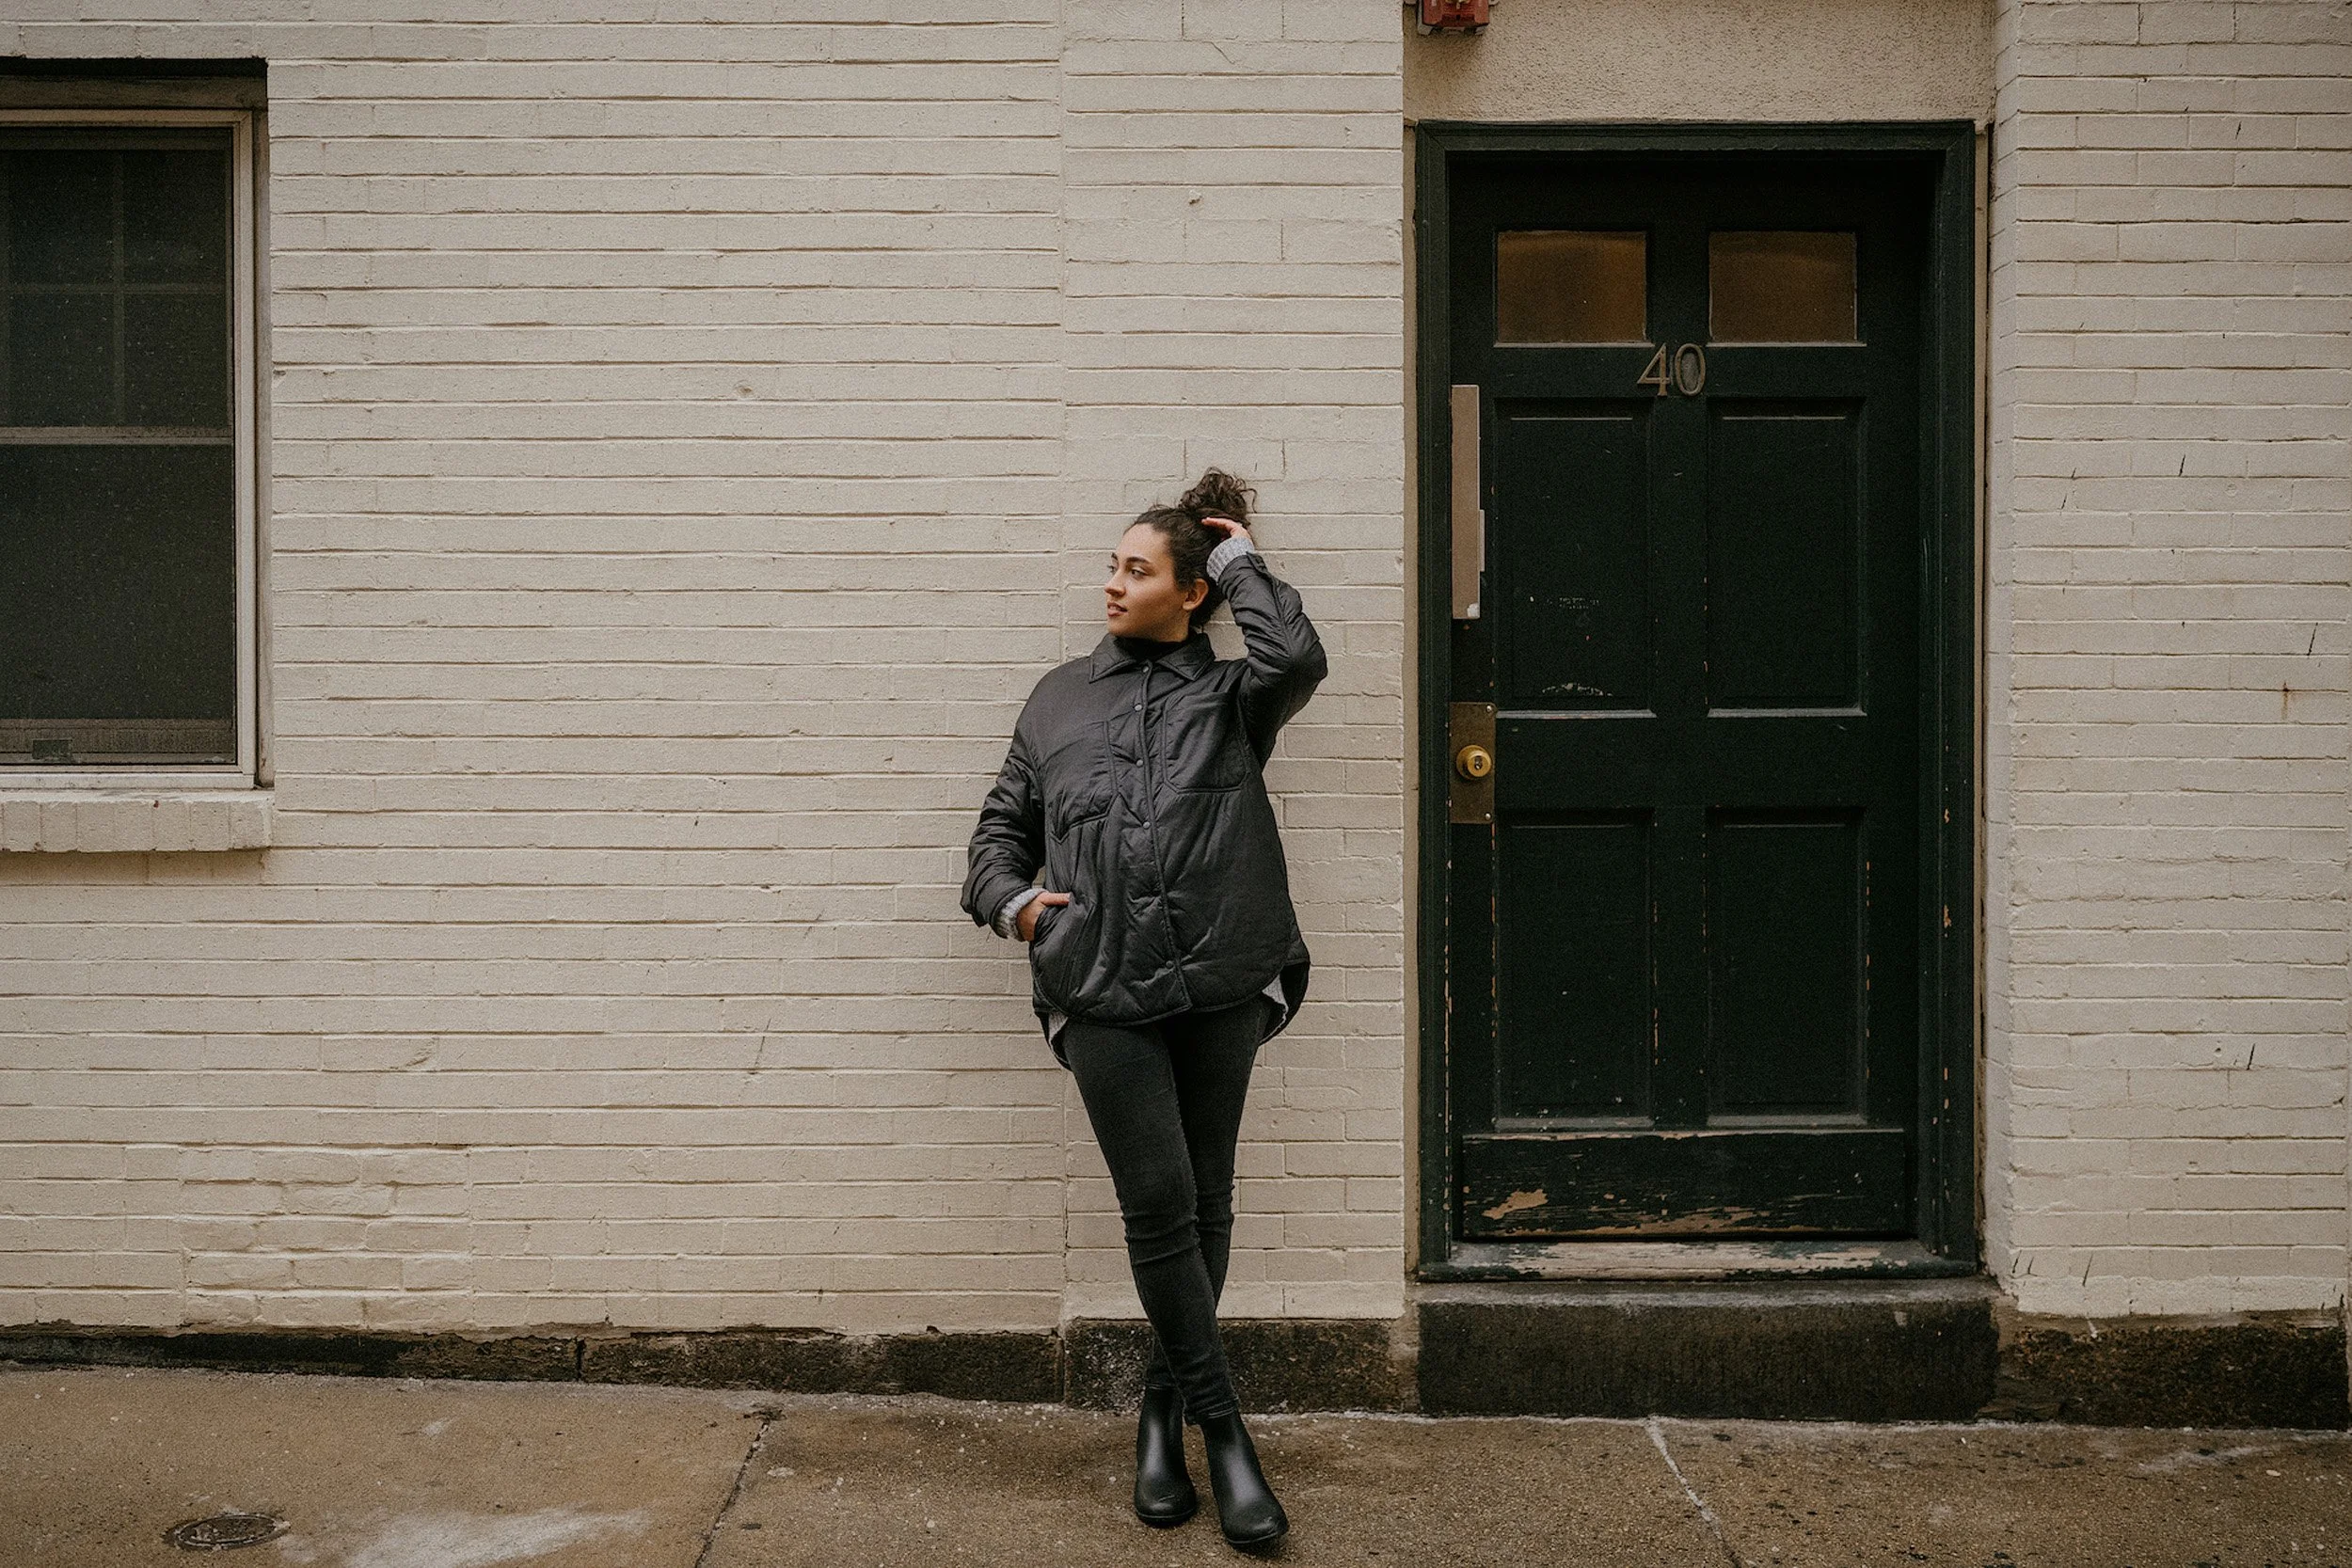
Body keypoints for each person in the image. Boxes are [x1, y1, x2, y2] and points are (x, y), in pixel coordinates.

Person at [959, 468, 1325, 1550]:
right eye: (1109, 565)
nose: (1109, 585)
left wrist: (1239, 557)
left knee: (1207, 1203)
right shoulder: (1056, 698)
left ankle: (1159, 1412)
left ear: (1190, 591)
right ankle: (1226, 1433)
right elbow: (993, 839)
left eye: (1135, 569)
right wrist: (1018, 905)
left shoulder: (1234, 696)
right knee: (1161, 1205)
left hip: (1220, 976)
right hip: (1099, 985)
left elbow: (1295, 655)